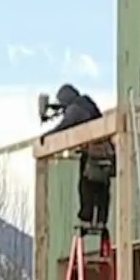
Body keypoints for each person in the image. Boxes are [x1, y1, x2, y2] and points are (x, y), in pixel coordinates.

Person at [44, 84, 115, 239]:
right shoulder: (87, 104)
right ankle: (101, 221)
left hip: (93, 155)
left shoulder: (76, 108)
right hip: (107, 155)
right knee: (102, 190)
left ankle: (86, 219)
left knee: (86, 187)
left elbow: (65, 125)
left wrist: (47, 136)